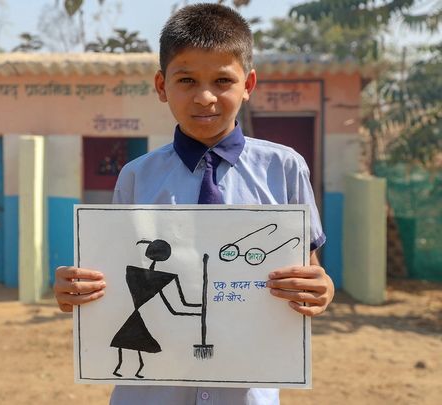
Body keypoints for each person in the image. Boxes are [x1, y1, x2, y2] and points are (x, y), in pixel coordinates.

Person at [54, 3, 335, 404]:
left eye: (223, 80)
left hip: (245, 388)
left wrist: (320, 289)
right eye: (186, 79)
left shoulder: (284, 168)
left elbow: (309, 270)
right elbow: (110, 278)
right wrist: (76, 290)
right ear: (161, 85)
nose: (205, 97)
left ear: (248, 84)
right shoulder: (135, 177)